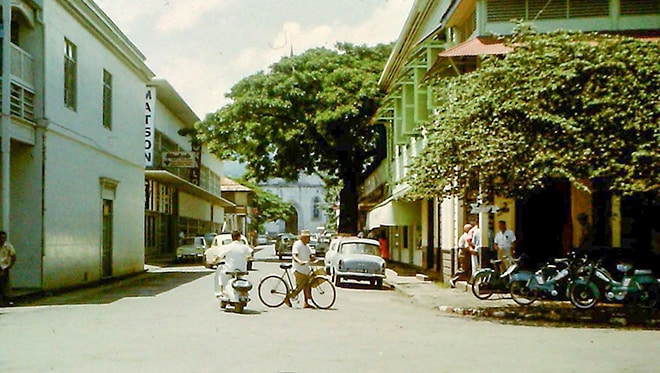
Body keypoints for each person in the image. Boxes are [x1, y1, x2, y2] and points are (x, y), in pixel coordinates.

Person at [208, 231, 251, 298]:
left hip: (230, 270)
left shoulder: (228, 247)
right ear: (239, 237)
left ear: (232, 238)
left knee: (221, 275)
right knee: (241, 278)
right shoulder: (244, 247)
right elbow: (249, 255)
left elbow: (219, 256)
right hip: (242, 270)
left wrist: (214, 262)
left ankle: (221, 293)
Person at [289, 229, 314, 308]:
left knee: (307, 285)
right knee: (299, 287)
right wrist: (299, 261)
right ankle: (287, 297)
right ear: (303, 238)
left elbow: (310, 255)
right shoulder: (297, 244)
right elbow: (294, 256)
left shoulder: (307, 246)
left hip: (305, 269)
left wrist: (314, 258)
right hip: (298, 269)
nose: (309, 239)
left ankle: (306, 302)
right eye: (308, 238)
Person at [0, 231, 17, 306]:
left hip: (4, 267)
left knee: (5, 284)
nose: (2, 239)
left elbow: (13, 255)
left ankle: (7, 300)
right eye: (1, 238)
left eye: (4, 238)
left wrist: (10, 265)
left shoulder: (8, 246)